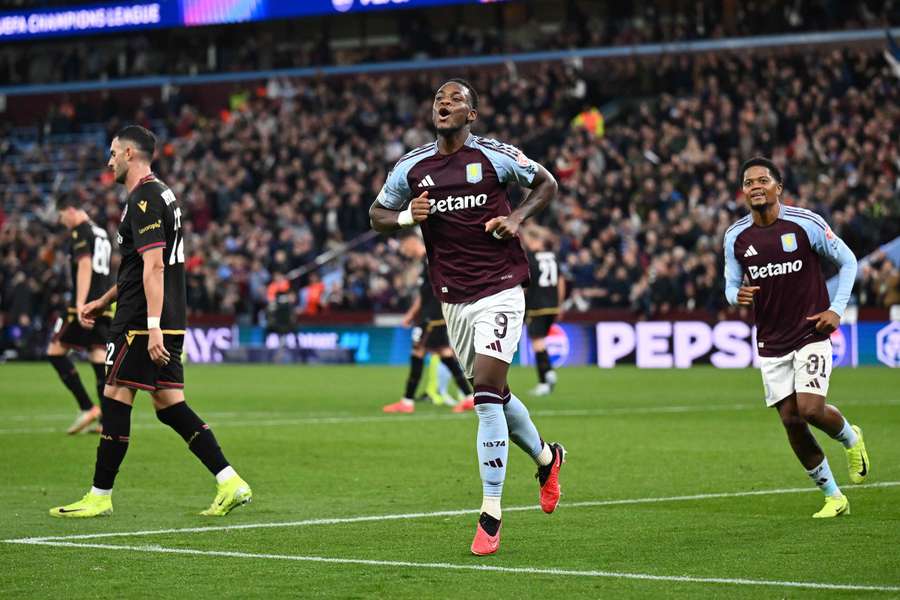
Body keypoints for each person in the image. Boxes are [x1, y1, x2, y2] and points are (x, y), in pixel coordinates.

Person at [369, 79, 565, 555]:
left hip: (501, 289)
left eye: (456, 99)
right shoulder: (412, 168)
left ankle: (491, 513)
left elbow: (547, 183)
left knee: (482, 400)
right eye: (439, 99)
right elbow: (376, 213)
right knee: (495, 394)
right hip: (452, 299)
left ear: (471, 115)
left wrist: (516, 220)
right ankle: (546, 456)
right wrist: (405, 219)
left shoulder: (494, 157)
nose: (445, 103)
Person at [50, 125, 251, 518]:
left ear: (129, 153)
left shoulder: (143, 198)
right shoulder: (163, 194)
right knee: (169, 404)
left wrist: (152, 324)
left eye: (112, 153)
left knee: (115, 397)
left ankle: (99, 495)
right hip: (166, 314)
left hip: (143, 322)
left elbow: (154, 264)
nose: (108, 161)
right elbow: (137, 265)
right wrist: (103, 300)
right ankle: (230, 480)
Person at [723, 156, 869, 519]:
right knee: (790, 420)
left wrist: (836, 309)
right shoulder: (735, 237)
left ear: (778, 187)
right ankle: (834, 496)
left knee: (810, 409)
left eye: (762, 180)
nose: (755, 186)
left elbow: (849, 261)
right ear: (743, 191)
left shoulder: (806, 224)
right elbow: (729, 284)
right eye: (748, 182)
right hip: (771, 340)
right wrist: (734, 296)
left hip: (811, 331)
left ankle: (851, 438)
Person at [383, 234, 474, 413]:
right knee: (445, 354)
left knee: (418, 352)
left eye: (405, 249)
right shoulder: (429, 261)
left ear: (411, 243)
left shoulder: (432, 260)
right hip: (433, 315)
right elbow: (425, 294)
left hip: (431, 317)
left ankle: (407, 401)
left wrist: (416, 315)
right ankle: (469, 397)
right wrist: (412, 314)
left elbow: (440, 289)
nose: (405, 253)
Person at [48, 195, 113, 433]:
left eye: (62, 215)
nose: (63, 221)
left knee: (55, 352)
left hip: (86, 304)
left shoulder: (80, 231)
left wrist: (79, 304)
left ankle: (87, 407)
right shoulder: (102, 232)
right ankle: (106, 421)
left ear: (72, 210)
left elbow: (85, 265)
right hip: (103, 305)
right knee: (98, 357)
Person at [523, 226, 565, 396]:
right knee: (541, 341)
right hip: (552, 305)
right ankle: (548, 373)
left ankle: (545, 378)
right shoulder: (554, 257)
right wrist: (560, 304)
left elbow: (526, 283)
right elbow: (561, 281)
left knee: (537, 342)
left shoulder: (530, 258)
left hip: (536, 306)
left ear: (535, 241)